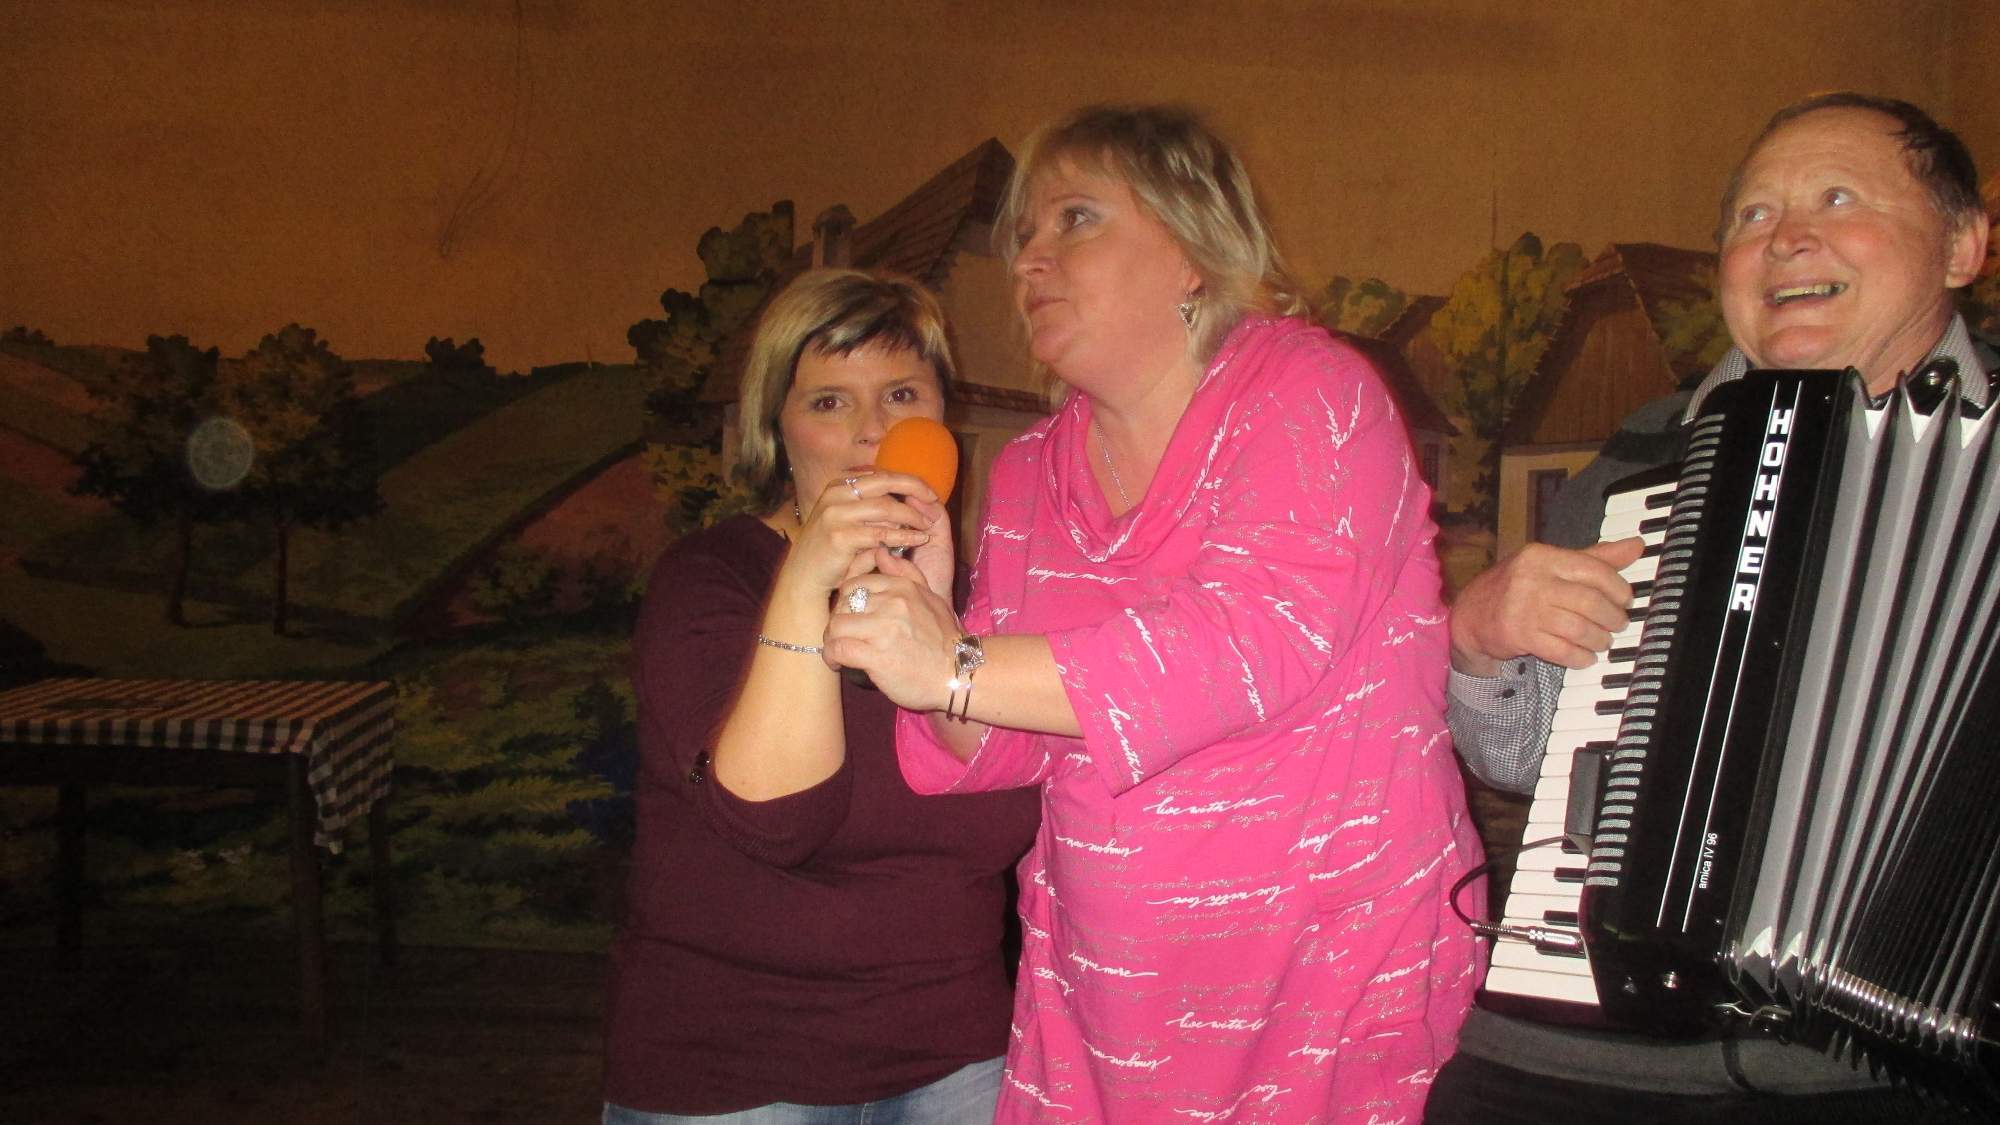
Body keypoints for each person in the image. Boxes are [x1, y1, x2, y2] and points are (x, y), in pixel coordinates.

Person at [825, 104, 1482, 1123]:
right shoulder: (1030, 471)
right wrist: (929, 633)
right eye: (1023, 235)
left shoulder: (1312, 390)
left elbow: (1252, 640)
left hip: (1328, 995)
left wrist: (956, 661)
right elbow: (1001, 740)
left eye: (1075, 219)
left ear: (1190, 246)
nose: (1028, 259)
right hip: (1103, 1019)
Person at [1428, 93, 1995, 1124]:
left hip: (1897, 1066)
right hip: (1591, 1046)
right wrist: (1478, 645)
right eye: (1752, 215)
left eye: (1837, 198)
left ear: (1961, 244)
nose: (1787, 238)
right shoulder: (1643, 458)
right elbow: (1519, 759)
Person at [602, 268, 1041, 1123]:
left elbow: (1009, 819)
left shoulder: (987, 597)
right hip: (736, 1070)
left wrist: (940, 628)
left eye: (902, 394)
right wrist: (806, 580)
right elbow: (777, 819)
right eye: (831, 402)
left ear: (943, 418)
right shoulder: (711, 579)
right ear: (779, 430)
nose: (874, 431)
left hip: (958, 1057)